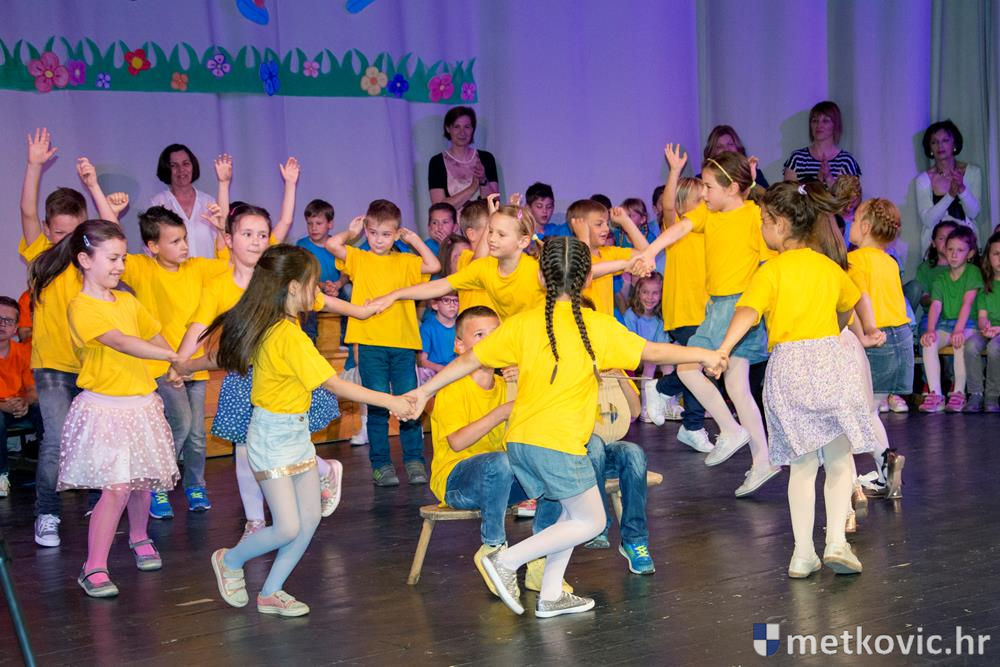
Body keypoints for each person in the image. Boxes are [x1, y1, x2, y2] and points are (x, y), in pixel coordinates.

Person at [404, 236, 725, 618]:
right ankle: (505, 560)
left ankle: (551, 593)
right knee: (592, 520)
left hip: (523, 441)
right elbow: (653, 350)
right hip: (556, 443)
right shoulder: (597, 326)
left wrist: (424, 391)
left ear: (541, 277)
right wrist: (705, 353)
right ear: (588, 279)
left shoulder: (523, 323)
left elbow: (469, 360)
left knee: (569, 513)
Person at [182, 245, 411, 617]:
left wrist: (184, 366)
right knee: (288, 527)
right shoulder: (288, 336)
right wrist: (393, 401)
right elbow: (335, 384)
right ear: (292, 287)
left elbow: (220, 356)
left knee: (310, 519)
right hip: (271, 437)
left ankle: (271, 592)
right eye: (313, 284)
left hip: (295, 433)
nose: (317, 291)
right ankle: (229, 560)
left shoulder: (271, 322)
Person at [719, 182, 875, 577]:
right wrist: (841, 329)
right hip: (830, 363)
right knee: (838, 460)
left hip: (788, 368)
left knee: (802, 466)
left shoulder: (771, 271)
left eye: (763, 221)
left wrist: (723, 349)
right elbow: (850, 305)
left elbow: (747, 313)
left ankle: (803, 554)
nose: (761, 229)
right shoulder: (828, 267)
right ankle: (836, 542)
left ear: (780, 223)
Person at [637, 146, 780, 497]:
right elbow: (678, 228)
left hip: (736, 306)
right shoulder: (708, 214)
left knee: (688, 367)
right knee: (737, 387)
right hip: (723, 307)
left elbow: (771, 262)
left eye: (709, 186)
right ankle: (762, 460)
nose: (703, 193)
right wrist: (651, 251)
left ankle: (730, 430)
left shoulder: (753, 216)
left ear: (732, 188)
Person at [51, 221, 180, 597]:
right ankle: (93, 567)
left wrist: (173, 362)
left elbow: (153, 334)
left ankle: (139, 536)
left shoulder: (127, 301)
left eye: (123, 258)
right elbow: (122, 342)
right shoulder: (81, 307)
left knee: (142, 482)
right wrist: (171, 356)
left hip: (141, 405)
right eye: (112, 258)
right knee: (117, 488)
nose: (121, 266)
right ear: (85, 260)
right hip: (105, 410)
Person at [20, 129, 118, 548]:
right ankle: (47, 512)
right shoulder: (41, 256)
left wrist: (94, 187)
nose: (67, 239)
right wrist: (34, 165)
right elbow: (26, 210)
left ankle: (98, 504)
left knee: (95, 440)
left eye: (75, 232)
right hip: (52, 367)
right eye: (59, 232)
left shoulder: (89, 261)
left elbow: (111, 230)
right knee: (57, 440)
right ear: (48, 229)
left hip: (91, 364)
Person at [122, 206, 229, 517]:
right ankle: (156, 485)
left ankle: (195, 484)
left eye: (185, 239)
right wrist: (108, 206)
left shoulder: (197, 268)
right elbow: (112, 250)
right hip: (162, 367)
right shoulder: (142, 268)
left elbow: (233, 264)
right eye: (175, 241)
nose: (184, 246)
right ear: (153, 246)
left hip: (194, 366)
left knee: (196, 433)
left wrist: (222, 230)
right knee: (179, 423)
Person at [326, 200, 440, 486]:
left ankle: (414, 460)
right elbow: (332, 245)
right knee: (376, 405)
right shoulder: (359, 258)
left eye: (386, 234)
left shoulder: (405, 261)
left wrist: (413, 239)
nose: (379, 240)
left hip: (402, 344)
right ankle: (381, 465)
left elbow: (434, 265)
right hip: (370, 344)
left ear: (396, 234)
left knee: (408, 402)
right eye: (373, 233)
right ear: (367, 230)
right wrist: (351, 233)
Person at [846, 199, 912, 498]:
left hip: (879, 338)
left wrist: (866, 332)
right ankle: (886, 473)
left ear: (865, 226)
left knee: (861, 413)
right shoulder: (890, 261)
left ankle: (883, 463)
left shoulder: (855, 260)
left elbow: (860, 298)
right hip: (901, 338)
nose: (850, 223)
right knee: (869, 410)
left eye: (855, 218)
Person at [653, 156, 712, 451]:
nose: (705, 204)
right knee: (697, 367)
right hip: (684, 310)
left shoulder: (711, 228)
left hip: (707, 311)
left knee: (701, 366)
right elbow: (667, 206)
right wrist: (675, 171)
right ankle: (692, 425)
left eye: (706, 199)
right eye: (698, 200)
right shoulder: (676, 227)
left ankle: (663, 390)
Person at [919, 226, 983, 413]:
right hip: (946, 325)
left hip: (968, 324)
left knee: (959, 342)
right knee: (929, 343)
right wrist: (930, 330)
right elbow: (936, 306)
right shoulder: (940, 279)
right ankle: (936, 394)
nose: (954, 255)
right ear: (945, 251)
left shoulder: (973, 272)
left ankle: (958, 393)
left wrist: (959, 330)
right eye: (950, 249)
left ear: (970, 254)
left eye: (960, 250)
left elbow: (967, 303)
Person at [914, 120, 982, 251]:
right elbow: (928, 220)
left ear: (954, 144)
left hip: (966, 246)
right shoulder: (924, 179)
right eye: (934, 142)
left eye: (945, 140)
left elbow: (973, 213)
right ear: (930, 148)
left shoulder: (972, 172)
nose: (940, 146)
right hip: (936, 249)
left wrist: (962, 189)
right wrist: (950, 195)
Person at [623, 273, 680, 424]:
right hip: (638, 355)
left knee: (668, 364)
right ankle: (646, 407)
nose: (650, 297)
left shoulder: (661, 315)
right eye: (645, 292)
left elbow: (662, 343)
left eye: (655, 293)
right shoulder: (631, 315)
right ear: (638, 292)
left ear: (661, 294)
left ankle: (670, 405)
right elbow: (631, 342)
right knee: (650, 363)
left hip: (656, 353)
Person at [0, 296, 43, 498]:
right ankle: (2, 475)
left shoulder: (23, 351)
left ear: (16, 327)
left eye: (8, 321)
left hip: (18, 406)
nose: (2, 324)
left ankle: (51, 473)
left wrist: (26, 401)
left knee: (44, 411)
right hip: (2, 408)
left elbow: (32, 389)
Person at [150, 143, 219, 258]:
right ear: (166, 169)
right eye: (174, 165)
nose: (181, 170)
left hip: (208, 269)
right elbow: (151, 250)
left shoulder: (209, 202)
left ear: (193, 166)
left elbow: (222, 243)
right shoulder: (158, 203)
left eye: (185, 164)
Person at [295, 199, 346, 342]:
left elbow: (346, 274)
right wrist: (322, 286)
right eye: (309, 224)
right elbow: (302, 276)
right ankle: (309, 340)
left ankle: (344, 339)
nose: (314, 228)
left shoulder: (337, 245)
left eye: (318, 223)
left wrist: (337, 285)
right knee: (305, 299)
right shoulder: (302, 245)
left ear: (330, 224)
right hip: (313, 289)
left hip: (335, 289)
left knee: (350, 296)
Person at [428, 106, 499, 208]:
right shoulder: (437, 162)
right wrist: (472, 188)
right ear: (448, 128)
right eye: (457, 127)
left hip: (483, 218)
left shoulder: (486, 158)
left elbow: (495, 203)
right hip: (454, 219)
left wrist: (483, 180)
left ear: (472, 129)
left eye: (467, 127)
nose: (462, 132)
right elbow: (439, 208)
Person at [783, 101, 861, 186]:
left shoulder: (846, 161)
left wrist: (829, 178)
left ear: (835, 125)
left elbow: (851, 194)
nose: (819, 125)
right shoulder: (797, 159)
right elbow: (788, 192)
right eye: (815, 121)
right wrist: (817, 181)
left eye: (825, 121)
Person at [964, 232, 1000, 412]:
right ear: (988, 257)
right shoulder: (985, 285)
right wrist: (985, 326)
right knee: (971, 345)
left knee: (994, 348)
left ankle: (992, 396)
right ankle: (976, 394)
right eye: (996, 254)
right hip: (990, 330)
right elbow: (982, 316)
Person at [703, 125, 769, 189]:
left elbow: (766, 196)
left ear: (738, 148)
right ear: (712, 152)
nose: (726, 149)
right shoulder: (703, 179)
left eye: (730, 144)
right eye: (720, 147)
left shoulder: (755, 174)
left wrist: (749, 179)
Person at [418, 294, 459, 378]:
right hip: (434, 372)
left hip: (458, 369)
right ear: (435, 305)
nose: (452, 305)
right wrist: (441, 369)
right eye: (446, 300)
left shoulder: (462, 324)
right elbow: (422, 361)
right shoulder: (427, 327)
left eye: (456, 301)